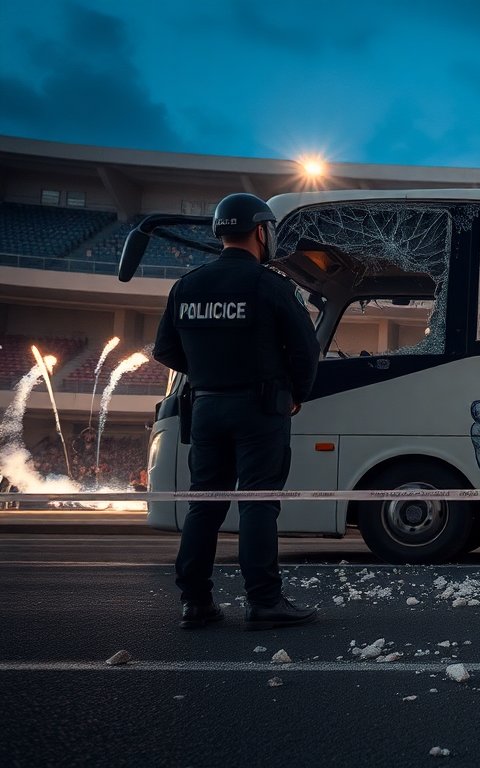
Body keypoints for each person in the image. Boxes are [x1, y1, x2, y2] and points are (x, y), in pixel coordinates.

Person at [153, 192, 320, 630]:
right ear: (262, 232)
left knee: (204, 505)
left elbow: (165, 349)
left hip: (205, 406)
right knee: (258, 504)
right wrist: (295, 392)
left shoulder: (186, 286)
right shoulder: (272, 286)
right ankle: (264, 601)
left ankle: (195, 602)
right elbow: (306, 349)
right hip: (260, 408)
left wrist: (209, 370)